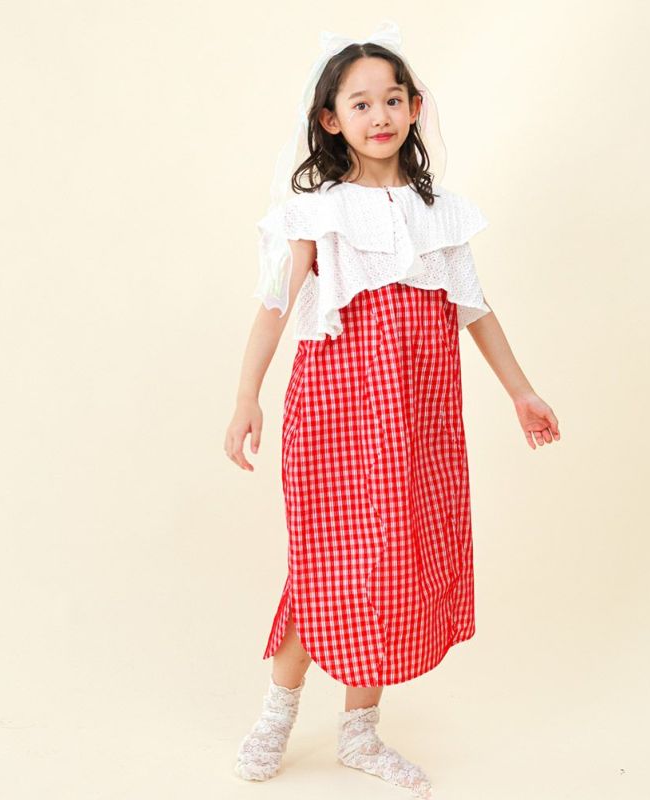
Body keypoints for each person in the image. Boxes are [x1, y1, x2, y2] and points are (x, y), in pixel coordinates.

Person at [224, 20, 561, 799]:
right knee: (331, 565)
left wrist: (521, 390)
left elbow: (475, 309)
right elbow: (275, 306)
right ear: (330, 118)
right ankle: (277, 714)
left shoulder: (439, 212)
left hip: (416, 420)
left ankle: (359, 732)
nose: (380, 114)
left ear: (414, 108)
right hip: (337, 416)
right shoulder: (316, 211)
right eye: (361, 102)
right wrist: (246, 397)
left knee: (393, 563)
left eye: (393, 99)